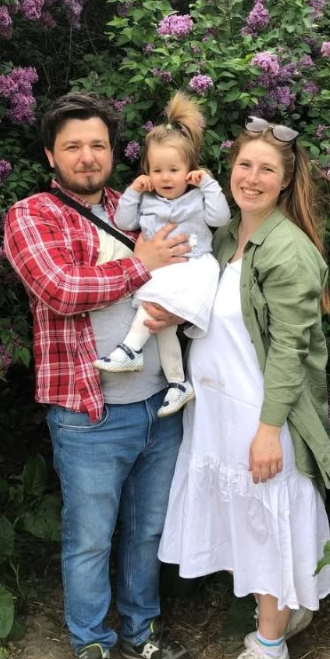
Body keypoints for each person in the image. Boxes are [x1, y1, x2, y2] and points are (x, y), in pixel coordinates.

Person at [3, 93, 197, 659]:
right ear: (50, 155)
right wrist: (141, 264)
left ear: (113, 152)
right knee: (89, 539)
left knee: (146, 532)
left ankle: (141, 631)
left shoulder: (136, 204)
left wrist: (180, 300)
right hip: (88, 412)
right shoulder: (31, 215)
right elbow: (61, 289)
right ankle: (90, 646)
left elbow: (185, 263)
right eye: (73, 147)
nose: (87, 157)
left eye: (98, 145)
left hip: (161, 402)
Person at [154, 116, 330, 659]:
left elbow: (290, 349)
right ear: (229, 168)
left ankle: (269, 650)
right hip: (219, 413)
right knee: (248, 522)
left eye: (267, 169)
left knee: (267, 525)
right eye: (244, 164)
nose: (252, 177)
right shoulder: (228, 236)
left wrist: (268, 430)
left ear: (286, 181)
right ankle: (285, 610)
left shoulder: (287, 250)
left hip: (262, 417)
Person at [94, 91, 231, 418]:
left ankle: (130, 348)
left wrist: (208, 184)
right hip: (165, 271)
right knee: (161, 324)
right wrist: (133, 191)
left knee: (154, 306)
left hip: (193, 267)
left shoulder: (197, 197)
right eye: (157, 170)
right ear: (147, 171)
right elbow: (124, 222)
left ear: (189, 170)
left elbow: (221, 219)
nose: (165, 177)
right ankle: (178, 383)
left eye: (173, 169)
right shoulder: (147, 200)